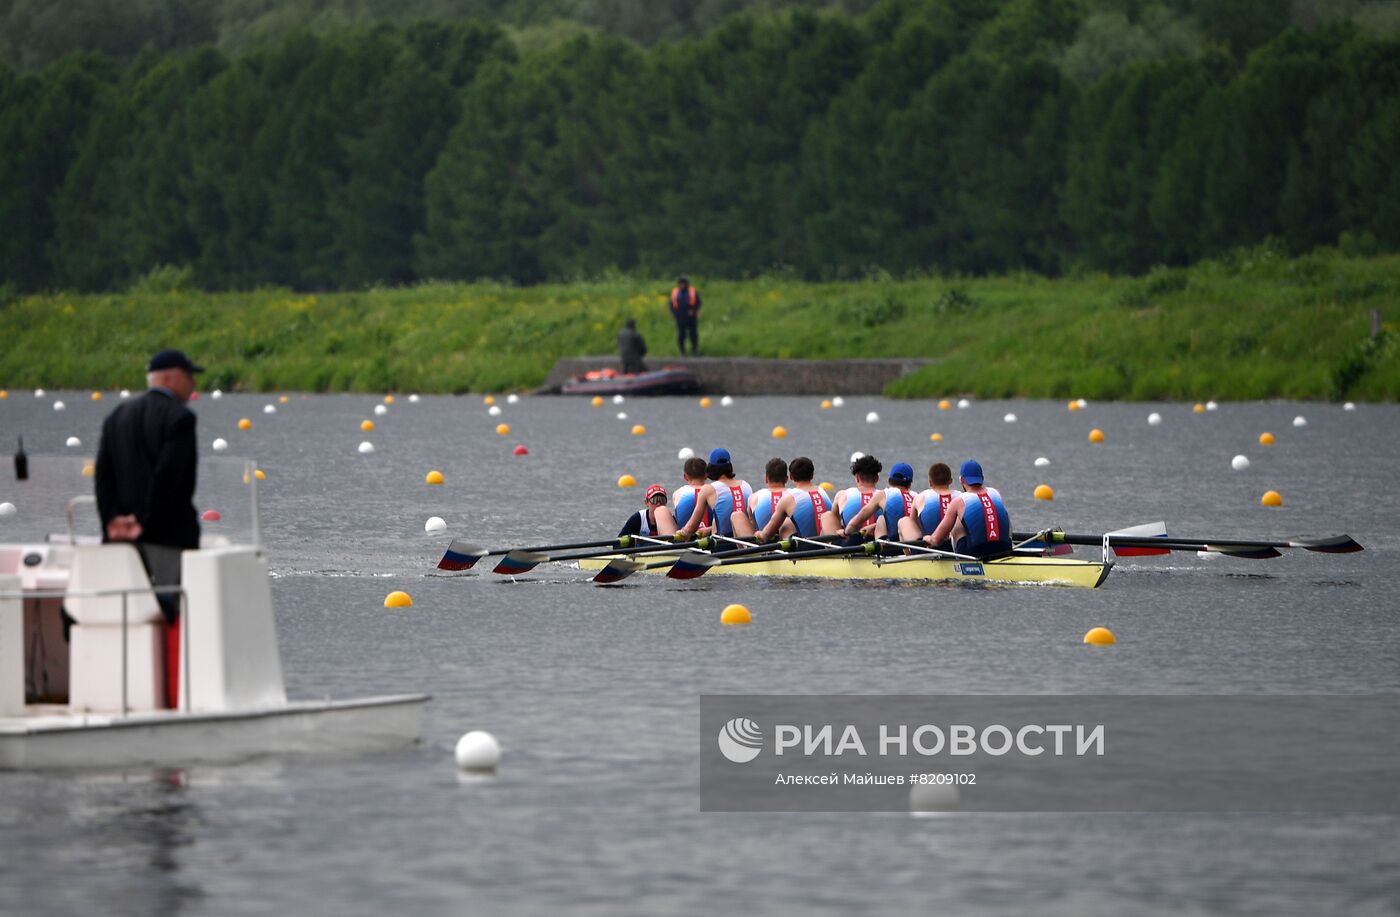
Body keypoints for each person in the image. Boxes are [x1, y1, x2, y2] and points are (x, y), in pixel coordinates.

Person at [94, 348, 203, 709]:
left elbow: (103, 477)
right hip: (166, 538)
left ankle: (118, 691)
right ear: (171, 378)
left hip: (120, 540)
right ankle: (170, 695)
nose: (194, 383)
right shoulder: (179, 420)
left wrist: (114, 521)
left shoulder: (117, 416)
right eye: (190, 375)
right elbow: (169, 479)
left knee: (125, 612)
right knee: (170, 611)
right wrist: (145, 522)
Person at [924, 460, 1013, 559]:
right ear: (982, 478)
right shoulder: (996, 493)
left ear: (962, 480)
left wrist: (928, 539)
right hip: (1005, 549)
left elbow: (936, 540)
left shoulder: (959, 501)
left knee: (957, 521)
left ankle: (957, 560)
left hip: (976, 553)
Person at [754, 457, 838, 542]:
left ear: (790, 477)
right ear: (812, 475)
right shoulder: (822, 492)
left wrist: (758, 534)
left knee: (786, 523)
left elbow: (766, 535)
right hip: (829, 546)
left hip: (807, 550)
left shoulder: (788, 498)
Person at [675, 448, 753, 540]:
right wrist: (709, 529)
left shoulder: (709, 489)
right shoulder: (746, 485)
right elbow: (751, 521)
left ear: (711, 468)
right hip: (748, 541)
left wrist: (682, 533)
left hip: (724, 546)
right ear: (730, 467)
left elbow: (690, 528)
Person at [840, 461, 921, 544]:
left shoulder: (884, 494)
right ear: (910, 484)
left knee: (881, 519)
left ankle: (879, 550)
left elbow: (856, 522)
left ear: (889, 481)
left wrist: (845, 533)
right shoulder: (918, 496)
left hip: (893, 548)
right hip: (916, 544)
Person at [832, 454, 884, 542]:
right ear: (877, 479)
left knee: (827, 516)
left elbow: (834, 518)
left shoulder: (842, 495)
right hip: (878, 544)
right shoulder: (885, 496)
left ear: (857, 478)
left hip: (850, 544)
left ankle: (831, 548)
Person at [915, 462, 958, 551]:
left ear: (930, 483)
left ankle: (909, 559)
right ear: (950, 481)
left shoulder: (921, 496)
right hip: (955, 549)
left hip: (928, 547)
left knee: (904, 521)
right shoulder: (962, 497)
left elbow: (913, 522)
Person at [748, 457, 789, 534]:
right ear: (786, 479)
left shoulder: (754, 497)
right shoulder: (794, 496)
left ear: (766, 479)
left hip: (763, 542)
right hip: (788, 542)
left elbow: (752, 524)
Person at [672, 456, 712, 533]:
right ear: (706, 475)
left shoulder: (678, 493)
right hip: (710, 537)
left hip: (686, 538)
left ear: (685, 477)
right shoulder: (714, 491)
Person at [670, 275, 701, 355]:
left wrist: (693, 310)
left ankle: (694, 350)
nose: (682, 285)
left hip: (691, 316)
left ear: (687, 284)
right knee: (681, 334)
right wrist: (674, 313)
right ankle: (682, 351)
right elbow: (671, 305)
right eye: (681, 283)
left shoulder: (692, 291)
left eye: (684, 283)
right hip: (680, 317)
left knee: (693, 334)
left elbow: (698, 303)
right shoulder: (675, 293)